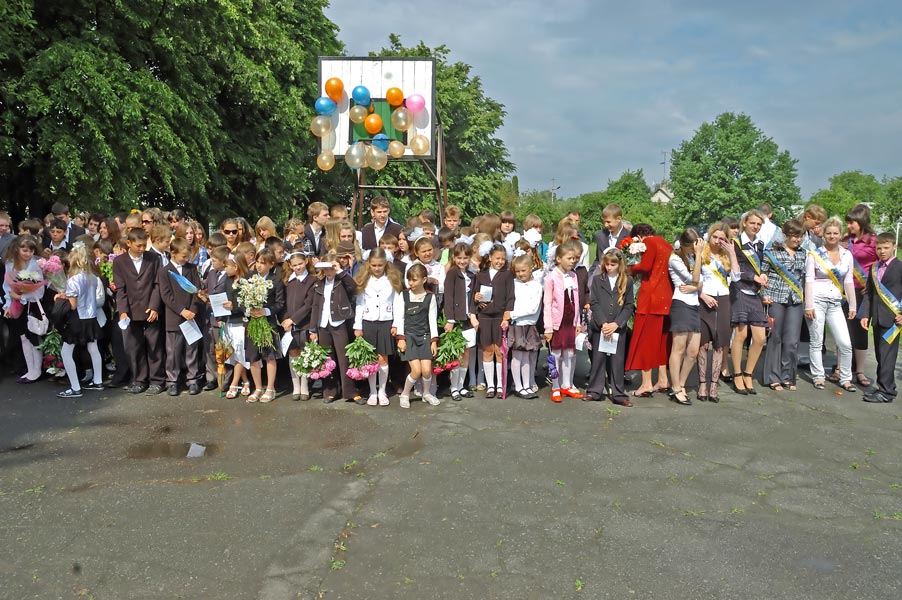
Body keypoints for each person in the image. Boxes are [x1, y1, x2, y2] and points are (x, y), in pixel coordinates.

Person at [805, 217, 857, 392]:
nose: (832, 236)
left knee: (845, 343)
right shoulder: (814, 254)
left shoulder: (847, 255)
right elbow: (809, 280)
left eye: (835, 233)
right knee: (816, 341)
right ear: (824, 235)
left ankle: (846, 378)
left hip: (835, 303)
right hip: (817, 301)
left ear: (840, 234)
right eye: (829, 233)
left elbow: (848, 281)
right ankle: (818, 376)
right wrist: (808, 305)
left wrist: (852, 305)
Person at [112, 228, 165, 394]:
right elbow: (120, 289)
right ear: (129, 243)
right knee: (135, 347)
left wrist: (155, 306)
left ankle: (157, 380)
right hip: (131, 310)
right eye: (138, 246)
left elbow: (157, 284)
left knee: (154, 346)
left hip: (150, 309)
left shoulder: (153, 258)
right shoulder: (119, 262)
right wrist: (123, 311)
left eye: (144, 245)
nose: (142, 249)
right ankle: (140, 380)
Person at [625, 223, 673, 397]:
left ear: (638, 237)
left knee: (645, 341)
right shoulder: (666, 244)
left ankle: (646, 384)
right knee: (661, 342)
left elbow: (645, 266)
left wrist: (630, 268)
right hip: (666, 298)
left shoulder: (650, 243)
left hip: (651, 298)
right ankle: (663, 379)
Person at [761, 219, 807, 391]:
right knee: (775, 338)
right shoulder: (772, 252)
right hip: (775, 298)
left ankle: (788, 376)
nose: (798, 239)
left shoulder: (804, 253)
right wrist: (764, 294)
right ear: (786, 235)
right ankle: (773, 377)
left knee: (792, 340)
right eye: (794, 236)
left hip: (795, 300)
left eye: (800, 236)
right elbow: (763, 275)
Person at [354, 249, 403, 406]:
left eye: (380, 265)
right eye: (374, 265)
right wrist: (357, 325)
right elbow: (359, 304)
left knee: (383, 358)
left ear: (386, 264)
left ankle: (382, 390)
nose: (377, 268)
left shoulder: (392, 279)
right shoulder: (364, 279)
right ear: (369, 264)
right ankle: (372, 391)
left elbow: (397, 303)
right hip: (368, 322)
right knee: (370, 359)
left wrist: (396, 324)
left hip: (385, 322)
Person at [696, 222, 739, 402]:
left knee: (719, 343)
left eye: (722, 238)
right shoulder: (701, 253)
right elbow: (694, 278)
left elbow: (736, 277)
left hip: (723, 299)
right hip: (704, 299)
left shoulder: (726, 257)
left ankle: (714, 384)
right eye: (715, 236)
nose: (717, 240)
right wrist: (702, 295)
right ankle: (702, 384)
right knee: (703, 344)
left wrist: (732, 253)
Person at [586, 248, 634, 406]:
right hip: (601, 326)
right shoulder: (598, 279)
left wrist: (616, 323)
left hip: (617, 328)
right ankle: (594, 391)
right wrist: (603, 323)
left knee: (617, 361)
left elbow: (629, 305)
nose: (609, 267)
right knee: (598, 359)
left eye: (613, 264)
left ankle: (618, 393)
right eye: (607, 264)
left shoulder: (627, 280)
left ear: (620, 264)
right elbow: (594, 303)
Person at [157, 237, 205, 396]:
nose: (186, 259)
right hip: (174, 317)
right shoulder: (164, 271)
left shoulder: (192, 269)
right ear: (173, 253)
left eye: (188, 256)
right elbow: (166, 295)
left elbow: (196, 290)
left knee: (191, 350)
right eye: (183, 256)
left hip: (191, 316)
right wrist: (182, 310)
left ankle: (193, 379)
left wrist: (192, 309)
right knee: (173, 352)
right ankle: (172, 381)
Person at [859, 232, 902, 404]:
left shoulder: (900, 267)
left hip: (893, 321)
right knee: (880, 355)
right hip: (877, 319)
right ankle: (884, 386)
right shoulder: (874, 268)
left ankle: (886, 392)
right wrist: (865, 314)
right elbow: (869, 293)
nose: (882, 251)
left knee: (887, 356)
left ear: (894, 247)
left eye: (886, 248)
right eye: (879, 248)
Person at [730, 210, 768, 395]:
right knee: (741, 334)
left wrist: (763, 275)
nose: (755, 226)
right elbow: (733, 268)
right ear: (744, 223)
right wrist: (753, 276)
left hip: (755, 292)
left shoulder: (760, 244)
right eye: (752, 223)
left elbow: (762, 266)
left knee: (760, 338)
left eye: (759, 224)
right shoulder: (735, 243)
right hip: (739, 290)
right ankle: (737, 374)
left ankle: (748, 373)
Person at [310, 252, 357, 403]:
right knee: (328, 359)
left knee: (344, 358)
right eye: (327, 268)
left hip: (338, 323)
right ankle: (330, 390)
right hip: (323, 325)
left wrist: (340, 271)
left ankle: (349, 391)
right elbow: (315, 306)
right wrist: (313, 329)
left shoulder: (342, 280)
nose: (329, 271)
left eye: (331, 268)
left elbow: (353, 287)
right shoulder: (319, 283)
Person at [543, 239, 585, 402]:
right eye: (569, 258)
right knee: (556, 355)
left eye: (574, 258)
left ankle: (567, 384)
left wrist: (578, 322)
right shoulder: (551, 278)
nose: (572, 261)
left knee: (570, 353)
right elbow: (547, 304)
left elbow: (577, 301)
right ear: (559, 259)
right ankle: (555, 386)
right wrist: (548, 328)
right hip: (557, 324)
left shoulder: (574, 276)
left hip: (570, 322)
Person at [841, 204, 878, 388]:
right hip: (845, 290)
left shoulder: (873, 241)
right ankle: (842, 368)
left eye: (852, 222)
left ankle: (860, 371)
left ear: (861, 221)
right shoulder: (845, 240)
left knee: (860, 329)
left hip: (863, 291)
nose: (849, 226)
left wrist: (871, 285)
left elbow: (880, 266)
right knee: (843, 329)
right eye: (848, 222)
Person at [394, 264, 440, 408]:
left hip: (425, 336)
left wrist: (434, 341)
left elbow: (432, 320)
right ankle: (405, 394)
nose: (411, 283)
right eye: (409, 280)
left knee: (426, 370)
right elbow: (399, 318)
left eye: (414, 280)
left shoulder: (430, 297)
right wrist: (401, 339)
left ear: (424, 280)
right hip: (409, 337)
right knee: (416, 370)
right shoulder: (404, 295)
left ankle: (426, 393)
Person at [668, 229, 705, 406]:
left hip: (694, 304)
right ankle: (675, 387)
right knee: (679, 348)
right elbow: (695, 278)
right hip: (681, 304)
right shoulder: (675, 258)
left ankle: (682, 383)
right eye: (693, 246)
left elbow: (701, 281)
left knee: (693, 351)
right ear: (685, 245)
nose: (696, 249)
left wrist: (695, 287)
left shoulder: (692, 257)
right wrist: (698, 257)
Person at [472, 243, 514, 398]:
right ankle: (490, 386)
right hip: (484, 317)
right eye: (497, 258)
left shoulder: (507, 275)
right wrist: (476, 299)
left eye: (503, 259)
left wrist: (507, 316)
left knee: (499, 351)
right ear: (490, 258)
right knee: (487, 350)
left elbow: (511, 296)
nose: (500, 261)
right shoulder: (481, 275)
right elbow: (474, 296)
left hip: (499, 317)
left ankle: (500, 385)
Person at [243, 248, 285, 404]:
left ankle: (270, 388)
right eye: (257, 262)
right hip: (252, 322)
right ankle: (258, 388)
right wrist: (248, 310)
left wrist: (265, 311)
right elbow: (240, 299)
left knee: (269, 356)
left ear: (271, 264)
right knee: (253, 356)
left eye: (263, 263)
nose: (259, 266)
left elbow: (280, 303)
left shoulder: (276, 280)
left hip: (268, 323)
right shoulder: (249, 277)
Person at [2, 235, 45, 383]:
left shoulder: (36, 265)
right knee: (23, 337)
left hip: (32, 304)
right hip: (17, 305)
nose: (28, 254)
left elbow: (39, 291)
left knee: (33, 336)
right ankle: (30, 369)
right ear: (17, 249)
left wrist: (21, 296)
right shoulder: (10, 264)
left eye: (31, 251)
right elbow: (7, 286)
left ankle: (37, 370)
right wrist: (8, 303)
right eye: (24, 250)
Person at [443, 242, 477, 401]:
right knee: (456, 354)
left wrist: (473, 314)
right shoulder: (452, 274)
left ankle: (461, 385)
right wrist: (450, 319)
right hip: (456, 320)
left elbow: (473, 298)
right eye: (459, 258)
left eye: (465, 258)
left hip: (468, 319)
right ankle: (453, 387)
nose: (462, 261)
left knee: (466, 353)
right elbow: (448, 297)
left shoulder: (471, 275)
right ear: (454, 258)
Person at [281, 250, 316, 401]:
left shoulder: (312, 280)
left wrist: (293, 319)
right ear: (290, 265)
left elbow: (308, 305)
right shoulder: (288, 281)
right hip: (289, 325)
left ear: (306, 261)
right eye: (294, 265)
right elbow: (282, 303)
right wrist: (285, 320)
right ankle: (296, 385)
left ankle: (305, 385)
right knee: (293, 353)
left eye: (300, 264)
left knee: (305, 354)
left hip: (305, 324)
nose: (298, 267)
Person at [509, 253, 543, 399]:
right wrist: (511, 316)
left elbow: (533, 309)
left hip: (529, 325)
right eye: (517, 271)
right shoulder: (513, 284)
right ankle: (518, 386)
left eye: (523, 270)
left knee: (527, 356)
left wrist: (512, 314)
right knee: (517, 356)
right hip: (517, 325)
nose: (520, 274)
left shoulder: (537, 286)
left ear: (531, 268)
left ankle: (527, 384)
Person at [222, 252, 252, 399]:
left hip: (242, 322)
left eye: (227, 266)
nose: (225, 269)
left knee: (240, 352)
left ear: (236, 266)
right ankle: (245, 381)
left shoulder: (247, 281)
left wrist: (234, 306)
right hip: (230, 321)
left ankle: (234, 384)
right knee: (234, 353)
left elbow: (248, 304)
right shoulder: (228, 280)